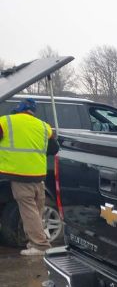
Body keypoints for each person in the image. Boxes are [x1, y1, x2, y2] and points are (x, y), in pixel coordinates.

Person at [0, 98, 58, 256]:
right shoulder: (43, 125)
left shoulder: (5, 121)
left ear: (18, 108)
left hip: (20, 175)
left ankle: (40, 246)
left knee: (29, 211)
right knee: (37, 210)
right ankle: (37, 241)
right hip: (39, 176)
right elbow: (54, 148)